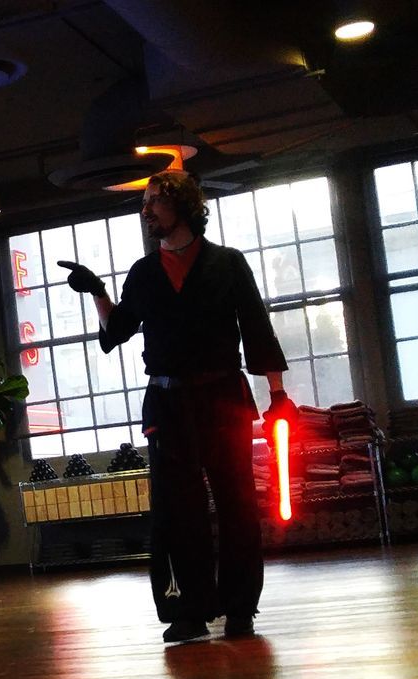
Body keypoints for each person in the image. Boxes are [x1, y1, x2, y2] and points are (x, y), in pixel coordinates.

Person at [61, 168, 293, 644]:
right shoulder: (145, 273)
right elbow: (118, 331)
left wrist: (278, 396)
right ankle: (189, 610)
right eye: (144, 204)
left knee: (237, 506)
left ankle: (239, 608)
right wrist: (97, 291)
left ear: (183, 207)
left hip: (222, 398)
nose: (146, 211)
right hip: (166, 403)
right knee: (177, 512)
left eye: (154, 203)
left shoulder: (228, 264)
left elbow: (256, 329)